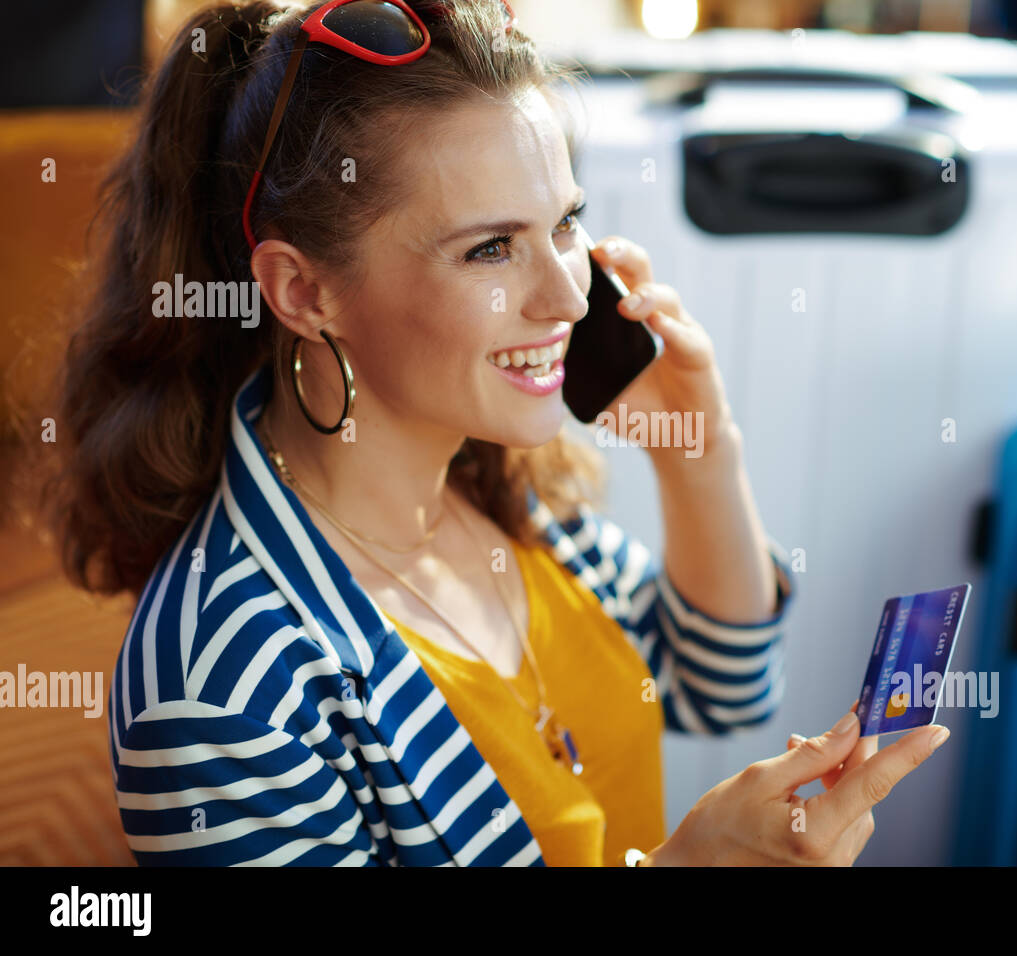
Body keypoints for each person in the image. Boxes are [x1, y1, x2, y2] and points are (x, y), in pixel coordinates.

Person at [50, 0, 947, 866]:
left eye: (564, 224)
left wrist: (698, 450)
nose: (568, 295)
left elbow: (722, 685)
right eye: (489, 248)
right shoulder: (223, 684)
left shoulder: (492, 489)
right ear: (303, 292)